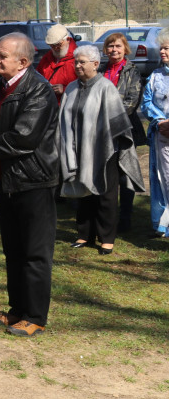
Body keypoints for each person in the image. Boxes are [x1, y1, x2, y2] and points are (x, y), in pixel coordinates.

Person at [0, 33, 59, 337]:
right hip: (7, 179)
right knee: (14, 250)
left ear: (22, 61)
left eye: (2, 56)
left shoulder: (38, 90)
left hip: (33, 181)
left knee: (35, 252)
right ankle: (17, 311)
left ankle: (35, 316)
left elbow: (25, 136)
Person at [61, 45, 144, 255]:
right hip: (78, 148)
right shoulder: (71, 87)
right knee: (83, 191)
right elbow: (64, 117)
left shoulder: (106, 87)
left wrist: (110, 144)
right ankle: (84, 234)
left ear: (96, 64)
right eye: (76, 62)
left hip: (105, 149)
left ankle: (107, 237)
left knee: (105, 194)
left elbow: (118, 121)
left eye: (82, 62)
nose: (77, 65)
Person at [100, 32, 146, 232]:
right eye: (110, 46)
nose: (114, 50)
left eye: (118, 46)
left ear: (125, 49)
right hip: (101, 129)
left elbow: (132, 101)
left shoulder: (132, 71)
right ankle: (106, 214)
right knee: (107, 172)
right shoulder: (100, 70)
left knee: (125, 173)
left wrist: (111, 119)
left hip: (125, 127)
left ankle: (125, 217)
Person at [139, 28, 169, 238]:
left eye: (167, 48)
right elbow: (147, 102)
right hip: (162, 134)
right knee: (163, 178)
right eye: (161, 48)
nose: (163, 52)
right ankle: (163, 224)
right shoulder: (155, 76)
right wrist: (159, 120)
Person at [37, 24, 77, 101]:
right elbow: (38, 78)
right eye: (52, 45)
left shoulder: (78, 58)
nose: (55, 48)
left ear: (67, 39)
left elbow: (85, 85)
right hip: (48, 105)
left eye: (58, 44)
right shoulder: (46, 59)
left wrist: (65, 89)